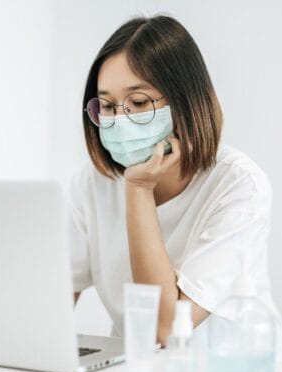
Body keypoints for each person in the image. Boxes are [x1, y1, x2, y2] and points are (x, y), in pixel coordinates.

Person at [68, 14, 281, 348]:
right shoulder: (92, 183)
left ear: (185, 102)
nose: (119, 119)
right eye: (107, 106)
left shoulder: (239, 185)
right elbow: (51, 303)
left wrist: (138, 189)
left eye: (138, 102)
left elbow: (166, 329)